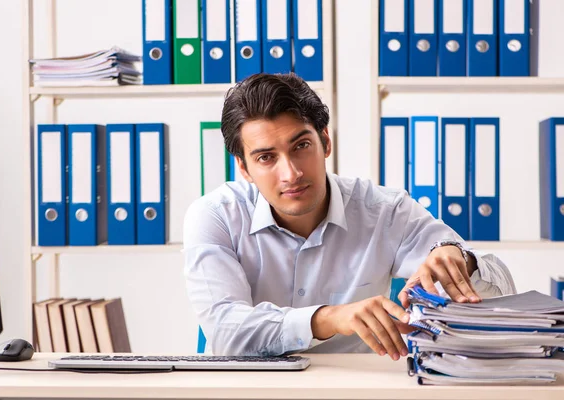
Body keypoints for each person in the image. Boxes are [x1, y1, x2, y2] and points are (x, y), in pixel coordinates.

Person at [183, 72, 516, 359]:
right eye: (267, 158)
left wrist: (461, 261)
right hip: (249, 390)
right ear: (244, 167)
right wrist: (329, 319)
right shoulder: (215, 217)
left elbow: (501, 293)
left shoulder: (385, 210)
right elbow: (227, 331)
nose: (291, 173)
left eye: (301, 146)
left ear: (325, 141)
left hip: (353, 387)